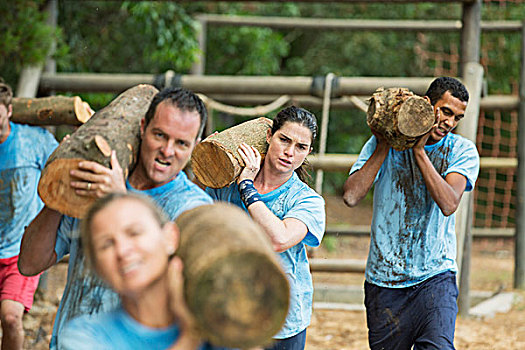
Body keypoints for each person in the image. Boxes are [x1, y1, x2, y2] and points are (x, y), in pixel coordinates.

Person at [18, 87, 212, 349]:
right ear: (143, 127)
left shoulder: (194, 208)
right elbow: (29, 264)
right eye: (160, 135)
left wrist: (119, 200)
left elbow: (190, 296)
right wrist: (61, 184)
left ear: (195, 146)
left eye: (181, 143)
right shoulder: (95, 180)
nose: (167, 150)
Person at [342, 77, 480, 350]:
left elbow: (449, 203)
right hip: (384, 282)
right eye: (446, 112)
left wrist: (419, 151)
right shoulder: (380, 144)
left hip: (435, 277)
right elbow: (350, 196)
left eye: (457, 117)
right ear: (426, 105)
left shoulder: (462, 150)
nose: (450, 123)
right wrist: (385, 143)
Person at [206, 106, 326, 350]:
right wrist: (209, 157)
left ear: (308, 152)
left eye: (300, 147)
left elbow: (278, 240)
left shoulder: (308, 201)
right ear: (270, 135)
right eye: (284, 140)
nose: (289, 152)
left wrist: (247, 188)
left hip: (282, 319)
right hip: (229, 310)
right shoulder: (228, 184)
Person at [60, 192, 203, 350]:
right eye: (106, 244)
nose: (122, 251)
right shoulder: (83, 337)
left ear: (170, 237)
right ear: (96, 266)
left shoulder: (220, 327)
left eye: (134, 233)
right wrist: (191, 336)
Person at [0, 81, 58, 349]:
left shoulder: (32, 141)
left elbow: (61, 166)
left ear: (9, 111)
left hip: (20, 251)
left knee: (10, 319)